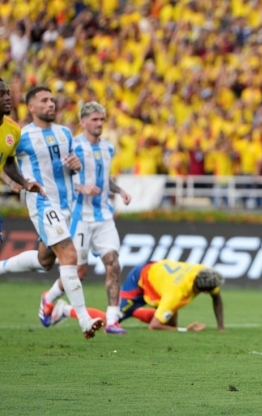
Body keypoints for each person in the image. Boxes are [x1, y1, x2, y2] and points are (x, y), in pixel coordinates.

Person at [0, 86, 103, 339]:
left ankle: (2, 266)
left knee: (46, 262)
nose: (51, 104)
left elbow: (68, 166)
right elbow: (5, 161)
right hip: (44, 204)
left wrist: (76, 166)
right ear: (31, 107)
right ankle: (84, 320)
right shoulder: (21, 135)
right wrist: (17, 183)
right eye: (44, 100)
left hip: (66, 205)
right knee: (70, 256)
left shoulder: (65, 133)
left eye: (52, 100)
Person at [71, 102, 132, 334]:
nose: (99, 124)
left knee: (113, 263)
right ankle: (51, 301)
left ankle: (112, 319)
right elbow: (61, 180)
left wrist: (120, 190)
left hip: (104, 216)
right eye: (94, 120)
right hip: (81, 217)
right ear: (83, 121)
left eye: (101, 120)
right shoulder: (73, 146)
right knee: (78, 273)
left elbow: (105, 179)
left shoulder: (108, 148)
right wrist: (81, 187)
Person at [52, 260, 225, 333]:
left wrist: (221, 327)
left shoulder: (203, 273)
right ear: (203, 291)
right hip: (140, 281)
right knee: (108, 322)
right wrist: (184, 330)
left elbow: (217, 298)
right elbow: (154, 326)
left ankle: (131, 311)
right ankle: (65, 309)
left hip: (159, 279)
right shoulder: (176, 293)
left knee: (169, 321)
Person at [0, 78, 46, 241]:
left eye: (7, 93)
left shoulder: (13, 130)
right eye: (1, 94)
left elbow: (9, 162)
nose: (7, 98)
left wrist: (25, 183)